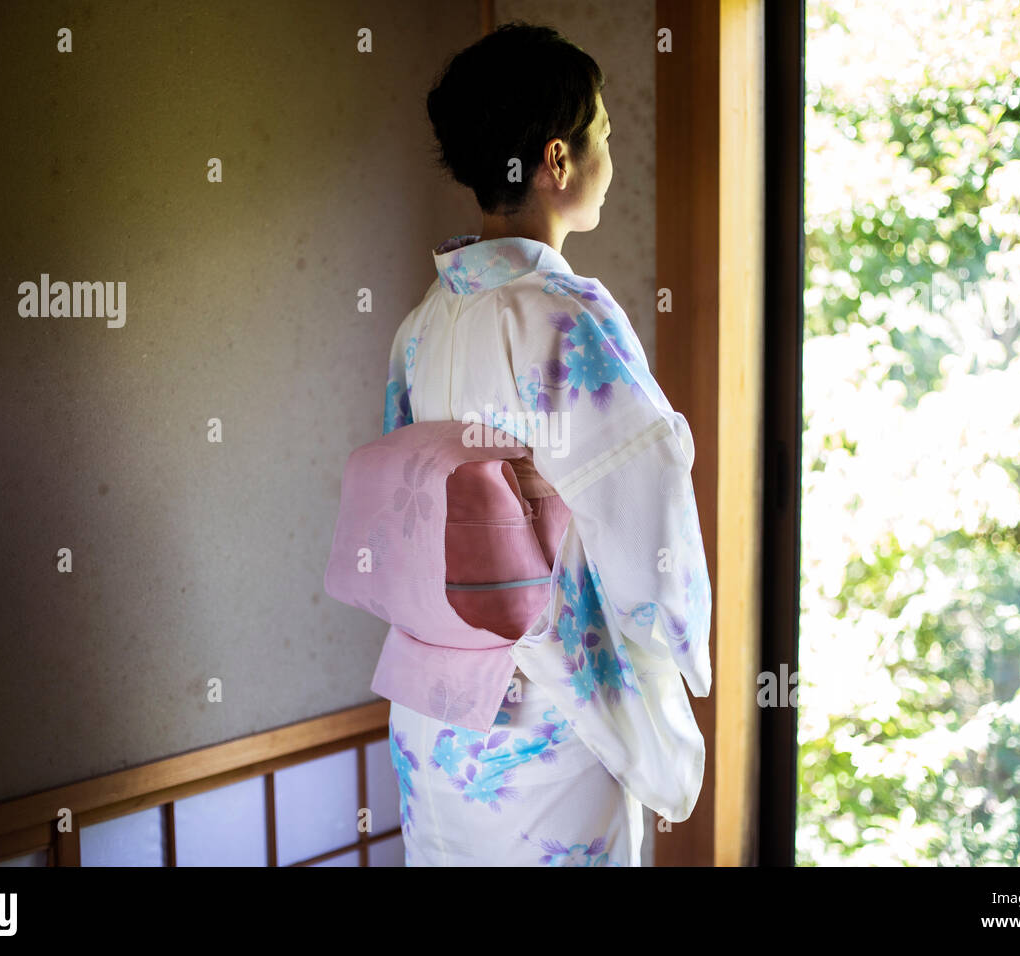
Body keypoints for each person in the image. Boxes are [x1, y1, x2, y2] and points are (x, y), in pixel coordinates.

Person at [382, 21, 711, 867]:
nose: (612, 159)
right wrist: (679, 641)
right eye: (604, 136)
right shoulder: (565, 316)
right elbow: (644, 493)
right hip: (545, 701)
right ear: (557, 161)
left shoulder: (422, 325)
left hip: (437, 705)